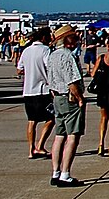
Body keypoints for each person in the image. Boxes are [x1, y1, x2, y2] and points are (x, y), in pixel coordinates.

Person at [46, 25, 87, 186]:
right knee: (72, 136)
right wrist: (80, 99)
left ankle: (56, 172)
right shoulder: (67, 56)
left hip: (57, 97)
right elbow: (72, 81)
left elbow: (50, 78)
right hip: (69, 98)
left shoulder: (52, 55)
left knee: (59, 135)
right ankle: (65, 173)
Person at [17, 27, 54, 159]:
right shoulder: (45, 50)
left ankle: (31, 149)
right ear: (43, 38)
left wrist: (30, 70)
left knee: (32, 120)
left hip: (28, 90)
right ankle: (40, 145)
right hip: (42, 90)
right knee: (51, 118)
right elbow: (49, 67)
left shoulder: (26, 51)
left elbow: (19, 69)